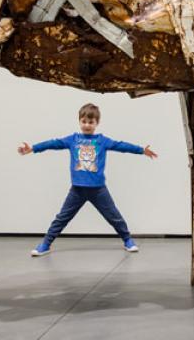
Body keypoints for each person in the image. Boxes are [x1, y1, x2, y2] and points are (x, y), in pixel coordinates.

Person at [18, 103, 157, 256]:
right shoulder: (73, 139)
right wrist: (33, 148)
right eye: (84, 121)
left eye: (91, 122)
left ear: (97, 123)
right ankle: (46, 243)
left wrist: (141, 150)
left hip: (98, 189)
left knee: (114, 216)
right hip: (77, 190)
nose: (87, 125)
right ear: (79, 122)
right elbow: (53, 143)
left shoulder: (102, 141)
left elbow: (121, 146)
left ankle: (127, 240)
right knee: (62, 218)